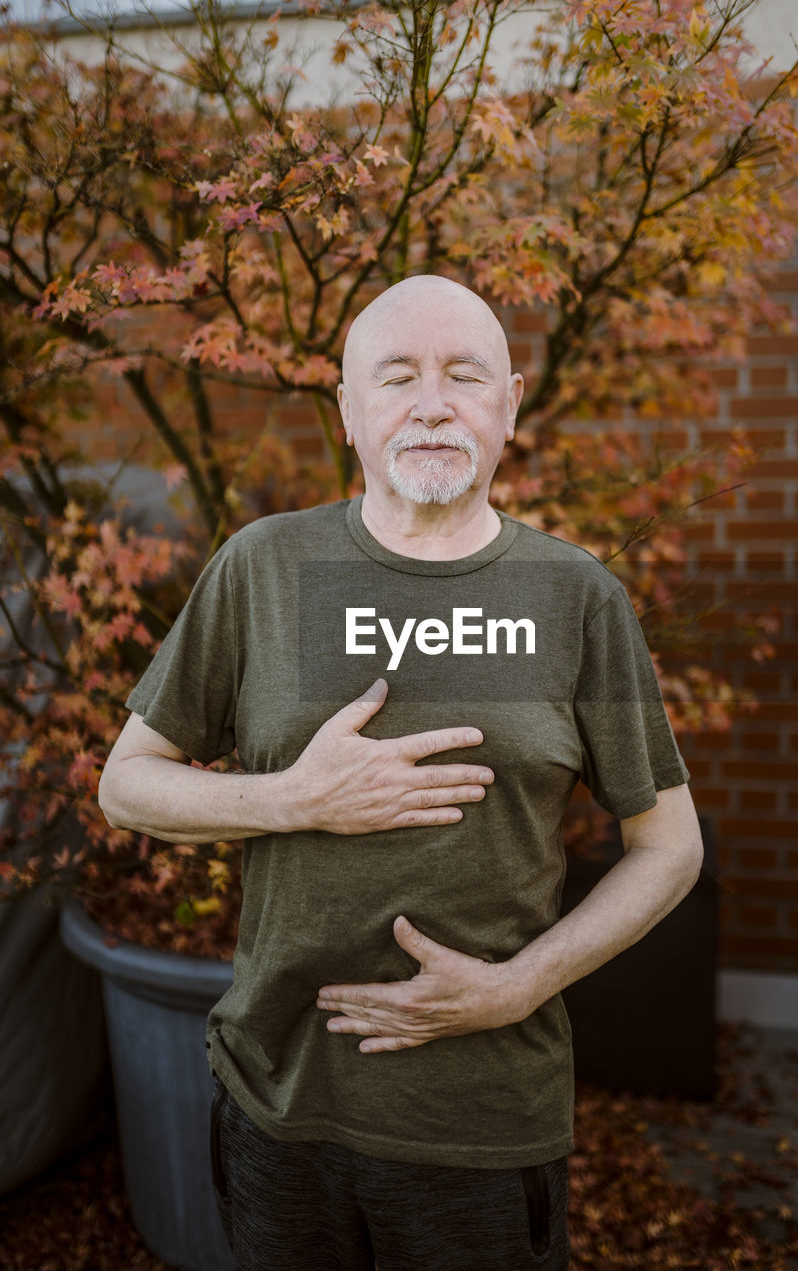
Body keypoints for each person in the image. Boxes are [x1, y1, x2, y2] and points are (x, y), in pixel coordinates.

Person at [98, 275, 704, 1271]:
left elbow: (668, 843)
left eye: (463, 374)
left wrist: (519, 984)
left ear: (509, 401)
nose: (431, 402)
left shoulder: (576, 597)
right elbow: (127, 783)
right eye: (397, 377)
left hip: (480, 1120)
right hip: (279, 1102)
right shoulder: (264, 568)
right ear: (348, 410)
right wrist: (296, 798)